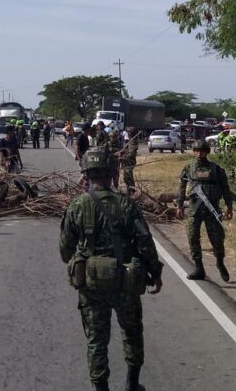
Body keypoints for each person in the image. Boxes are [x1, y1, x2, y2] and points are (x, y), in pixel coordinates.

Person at [60, 148, 163, 391]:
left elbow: (65, 251)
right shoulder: (127, 205)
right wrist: (155, 274)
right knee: (132, 332)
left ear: (86, 174)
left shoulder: (76, 206)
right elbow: (145, 243)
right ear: (112, 173)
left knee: (97, 341)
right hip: (125, 283)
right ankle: (132, 385)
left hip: (92, 286)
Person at [176, 139, 233, 281]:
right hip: (195, 207)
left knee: (217, 238)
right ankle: (199, 268)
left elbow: (226, 189)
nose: (198, 153)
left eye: (201, 150)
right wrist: (179, 206)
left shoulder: (216, 169)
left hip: (212, 207)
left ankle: (220, 262)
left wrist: (229, 206)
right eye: (196, 150)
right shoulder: (188, 168)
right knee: (192, 236)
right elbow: (182, 188)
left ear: (207, 152)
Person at [119, 127, 142, 193]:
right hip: (126, 161)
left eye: (129, 132)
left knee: (128, 177)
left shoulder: (133, 141)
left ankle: (132, 191)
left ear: (132, 133)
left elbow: (131, 153)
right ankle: (129, 190)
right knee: (126, 177)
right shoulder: (130, 140)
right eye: (127, 132)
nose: (128, 133)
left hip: (129, 161)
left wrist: (123, 157)